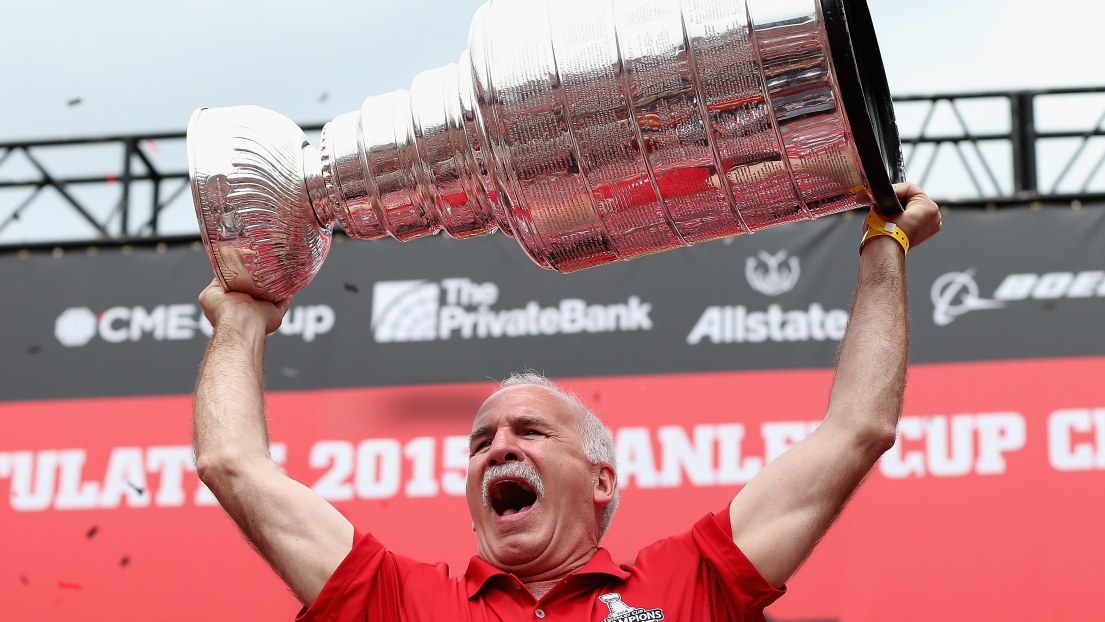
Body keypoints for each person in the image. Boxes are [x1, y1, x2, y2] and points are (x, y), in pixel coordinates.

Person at [193, 183, 942, 621]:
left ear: (601, 480)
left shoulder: (689, 580)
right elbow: (233, 464)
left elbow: (856, 429)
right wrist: (239, 323)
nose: (497, 448)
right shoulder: (399, 600)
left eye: (529, 430)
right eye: (481, 440)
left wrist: (886, 244)